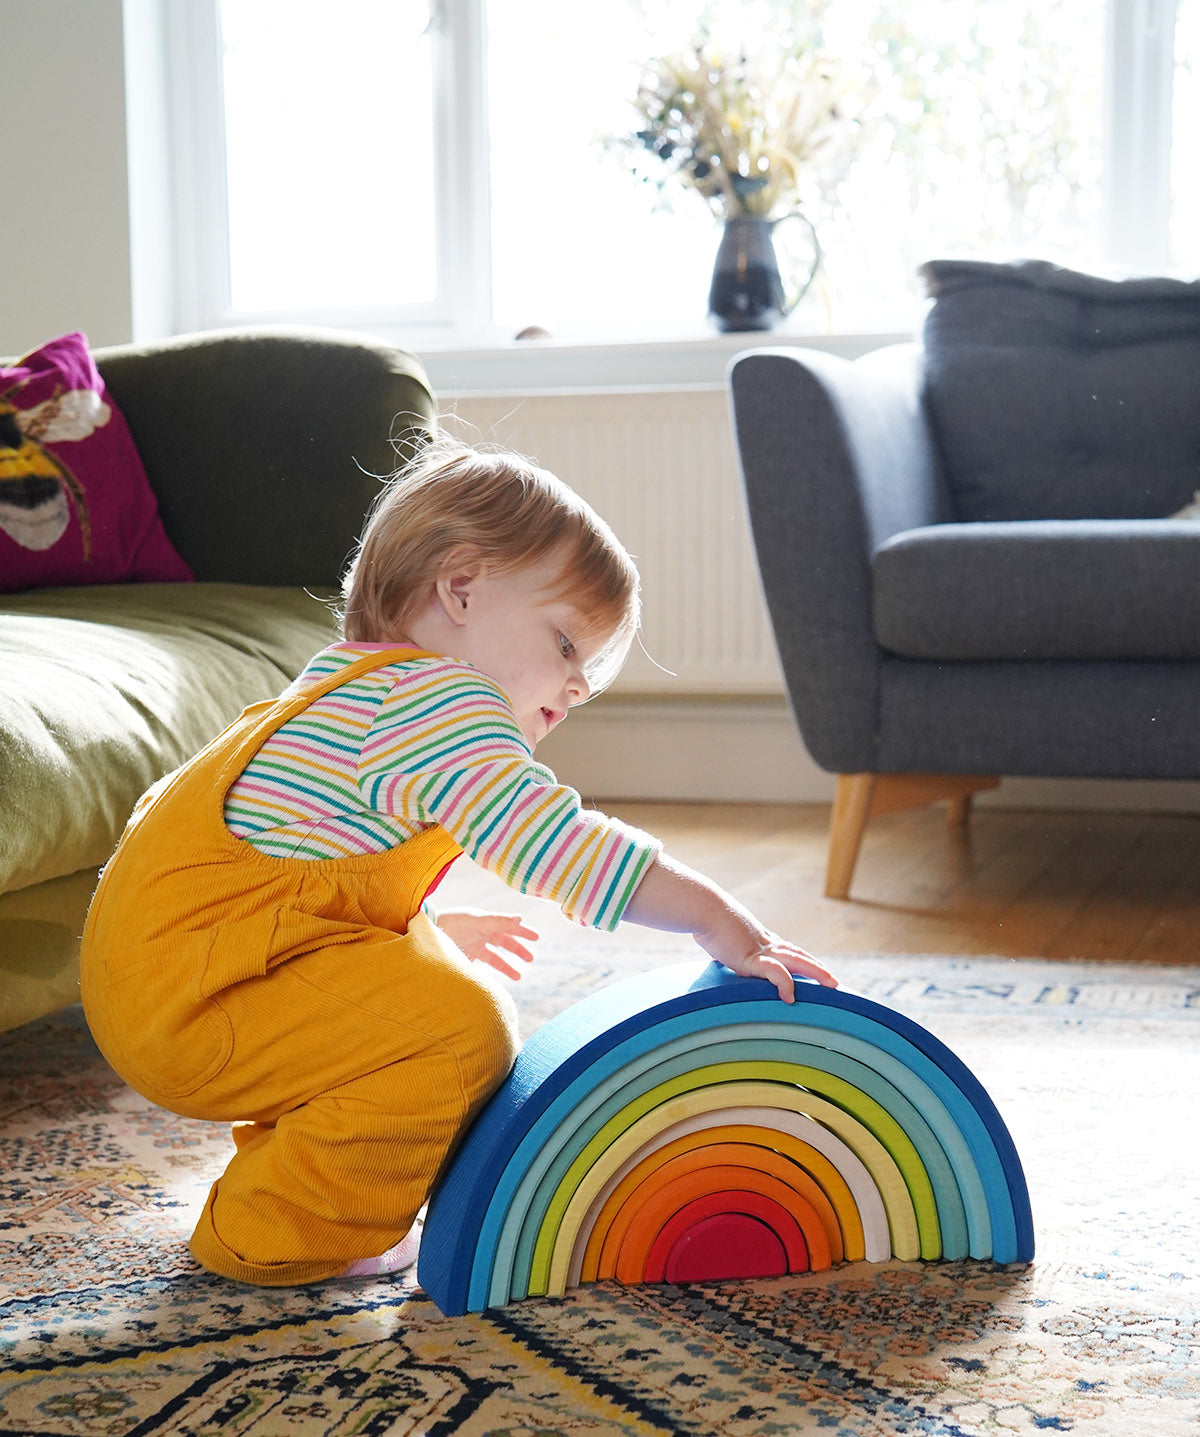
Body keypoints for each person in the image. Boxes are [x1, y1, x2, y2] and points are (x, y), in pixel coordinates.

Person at [79, 438, 837, 1287]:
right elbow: (557, 843)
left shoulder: (350, 688)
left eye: (588, 672)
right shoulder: (441, 698)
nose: (578, 687)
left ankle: (295, 1169)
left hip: (164, 978)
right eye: (566, 644)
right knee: (459, 1030)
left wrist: (424, 923)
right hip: (195, 1000)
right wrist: (716, 919)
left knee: (416, 982)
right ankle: (284, 1228)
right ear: (462, 588)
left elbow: (309, 860)